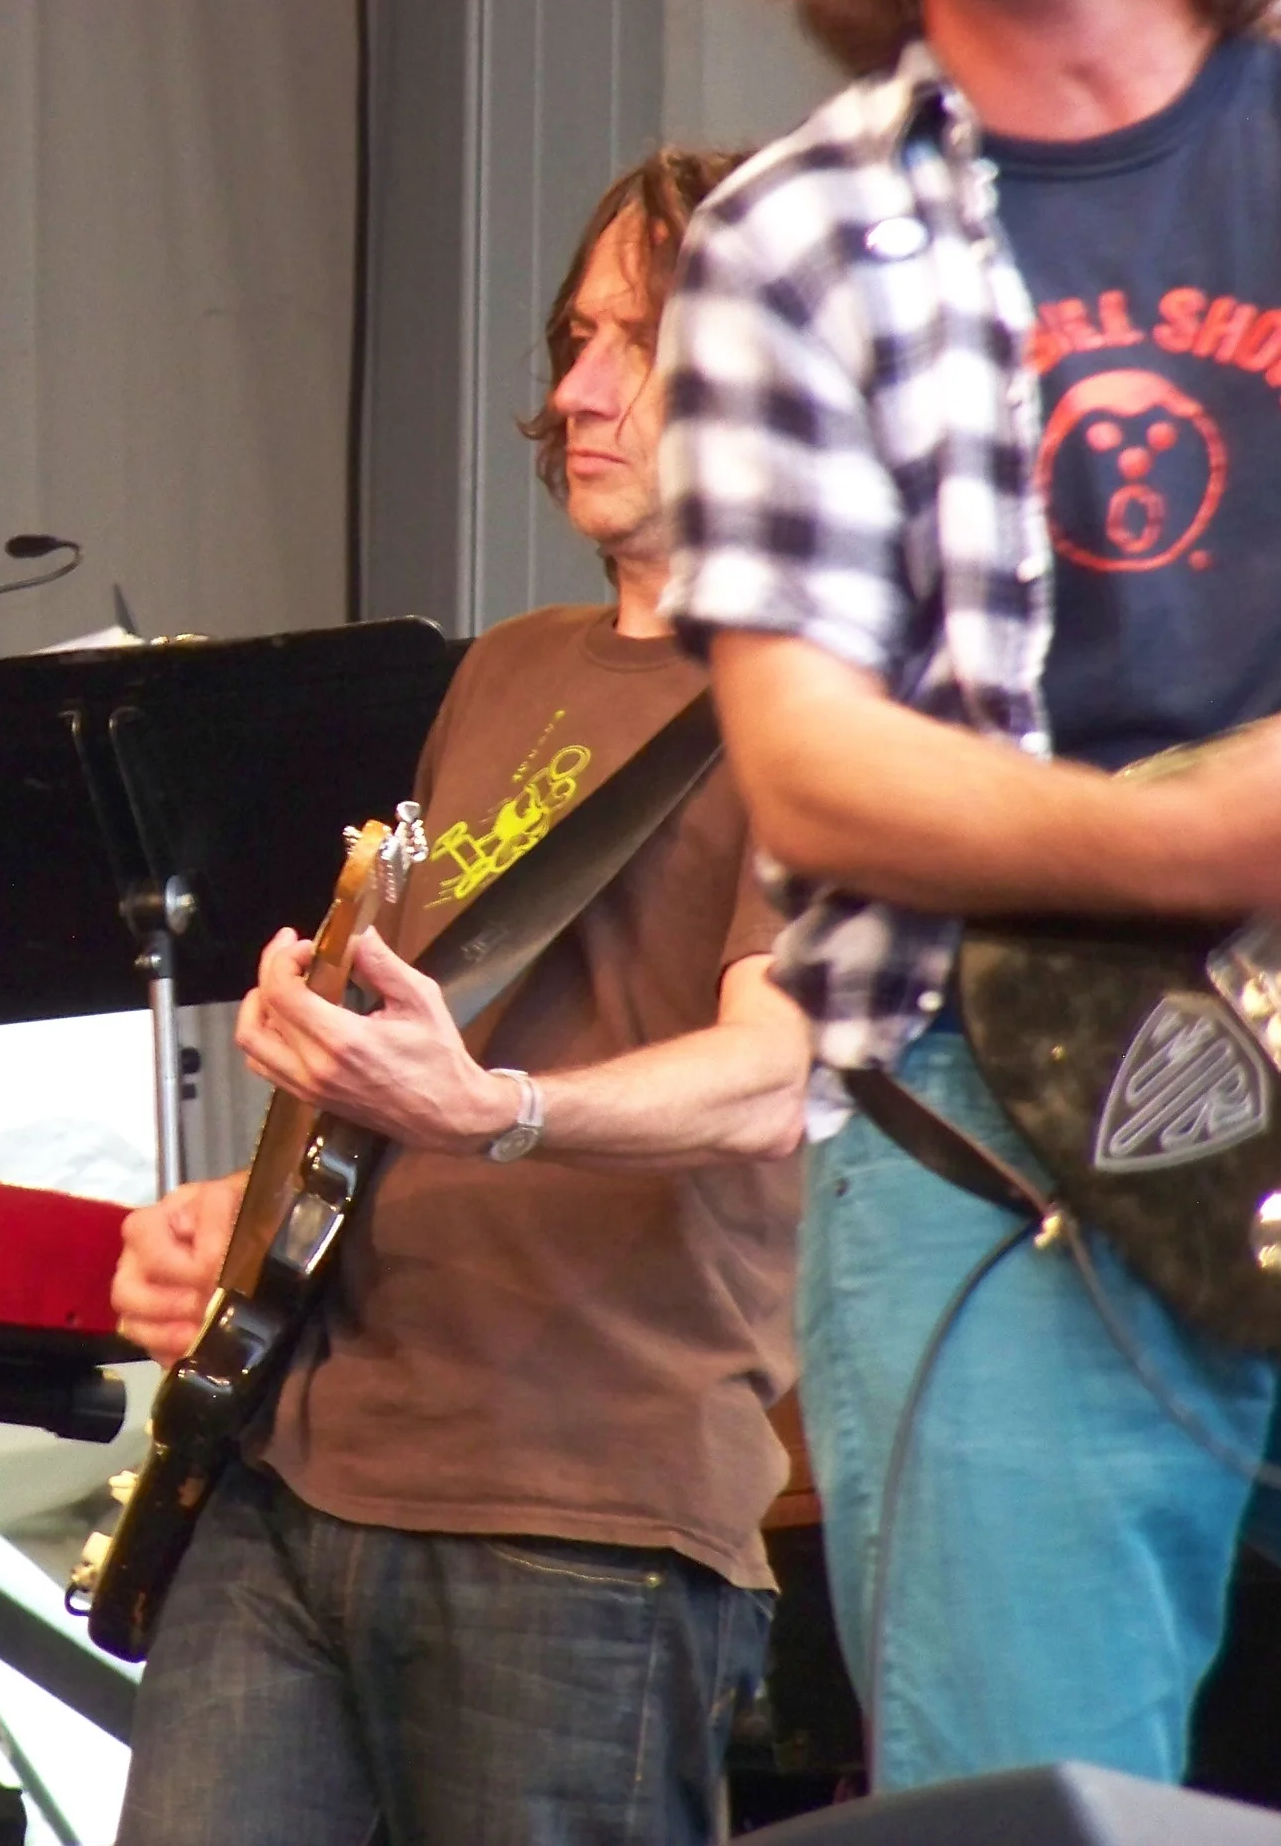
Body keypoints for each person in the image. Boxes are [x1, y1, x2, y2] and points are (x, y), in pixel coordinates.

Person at [658, 0, 1281, 1793]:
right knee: (1038, 1807)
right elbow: (810, 762)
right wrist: (1230, 835)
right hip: (993, 1127)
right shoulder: (791, 238)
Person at [110, 149, 810, 1846]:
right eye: (577, 339)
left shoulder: (827, 701)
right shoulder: (504, 667)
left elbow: (783, 1070)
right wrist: (246, 1210)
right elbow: (421, 1043)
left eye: (644, 343)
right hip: (295, 1467)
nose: (578, 393)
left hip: (586, 1518)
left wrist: (501, 1112)